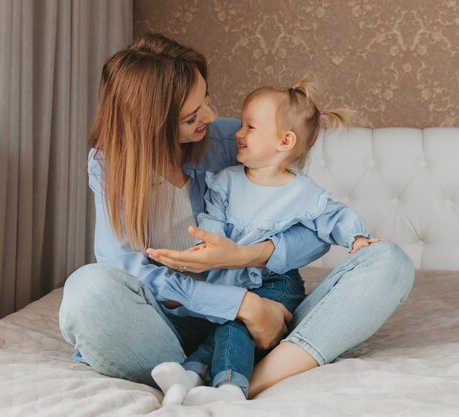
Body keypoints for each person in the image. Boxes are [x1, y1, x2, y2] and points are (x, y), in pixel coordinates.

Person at [58, 33, 414, 406]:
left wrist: (244, 258)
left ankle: (252, 378)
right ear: (151, 124)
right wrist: (241, 304)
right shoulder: (109, 165)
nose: (211, 117)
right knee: (87, 289)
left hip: (268, 316)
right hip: (173, 326)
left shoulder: (232, 140)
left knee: (389, 262)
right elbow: (128, 269)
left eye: (206, 99)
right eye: (192, 116)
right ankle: (211, 365)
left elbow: (311, 227)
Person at [151, 79, 385, 405]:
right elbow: (213, 220)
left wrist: (357, 238)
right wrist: (205, 246)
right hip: (231, 275)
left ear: (284, 140)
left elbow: (334, 219)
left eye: (250, 127)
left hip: (275, 283)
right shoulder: (228, 180)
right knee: (219, 325)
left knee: (236, 324)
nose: (238, 133)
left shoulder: (302, 192)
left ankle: (230, 389)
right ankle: (188, 377)